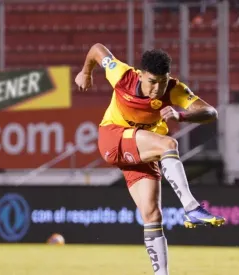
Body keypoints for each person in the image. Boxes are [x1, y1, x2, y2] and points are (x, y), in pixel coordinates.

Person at [74, 43, 225, 275]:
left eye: (162, 82)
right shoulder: (122, 74)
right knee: (168, 144)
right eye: (152, 82)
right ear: (141, 74)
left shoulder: (173, 89)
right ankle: (191, 207)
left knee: (152, 214)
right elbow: (96, 49)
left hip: (140, 149)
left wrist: (181, 115)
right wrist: (86, 72)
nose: (157, 89)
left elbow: (211, 113)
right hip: (112, 137)